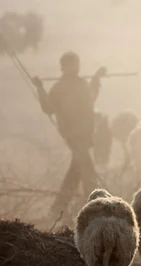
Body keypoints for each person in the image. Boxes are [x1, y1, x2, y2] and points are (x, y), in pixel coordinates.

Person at [31, 51, 106, 217]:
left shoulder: (81, 84)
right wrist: (40, 88)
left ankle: (60, 206)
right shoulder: (60, 88)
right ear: (63, 67)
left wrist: (96, 78)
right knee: (87, 169)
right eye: (70, 65)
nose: (74, 68)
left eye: (75, 64)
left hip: (86, 133)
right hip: (73, 134)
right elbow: (48, 108)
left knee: (78, 167)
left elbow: (91, 97)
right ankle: (95, 204)